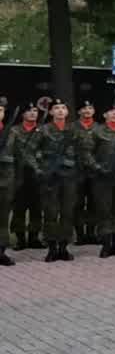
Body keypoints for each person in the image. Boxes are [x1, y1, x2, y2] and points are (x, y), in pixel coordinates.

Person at [34, 99, 81, 261]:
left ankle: (64, 246)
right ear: (51, 112)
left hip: (69, 176)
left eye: (63, 108)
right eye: (56, 108)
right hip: (50, 177)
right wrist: (40, 167)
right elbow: (33, 150)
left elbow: (83, 151)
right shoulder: (44, 129)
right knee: (51, 212)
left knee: (67, 212)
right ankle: (52, 247)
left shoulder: (74, 130)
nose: (60, 111)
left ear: (67, 112)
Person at [85, 103, 115, 258]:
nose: (114, 114)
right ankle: (106, 244)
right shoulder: (96, 132)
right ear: (104, 115)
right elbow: (87, 153)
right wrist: (98, 168)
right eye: (110, 111)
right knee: (104, 210)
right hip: (103, 177)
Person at [11, 103, 44, 250]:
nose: (32, 113)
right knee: (19, 208)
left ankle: (34, 237)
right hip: (19, 173)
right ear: (23, 114)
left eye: (35, 110)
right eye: (29, 111)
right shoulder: (14, 131)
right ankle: (20, 239)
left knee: (36, 207)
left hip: (37, 173)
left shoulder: (43, 130)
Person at [74, 101, 100, 244]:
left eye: (90, 108)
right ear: (79, 112)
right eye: (84, 108)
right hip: (77, 171)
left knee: (94, 202)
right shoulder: (72, 127)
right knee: (77, 203)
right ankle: (79, 234)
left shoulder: (99, 128)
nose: (87, 110)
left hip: (95, 171)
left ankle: (91, 233)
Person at [0, 102, 17, 266]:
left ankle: (1, 251)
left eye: (0, 110)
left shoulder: (11, 132)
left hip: (6, 180)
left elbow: (18, 156)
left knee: (3, 217)